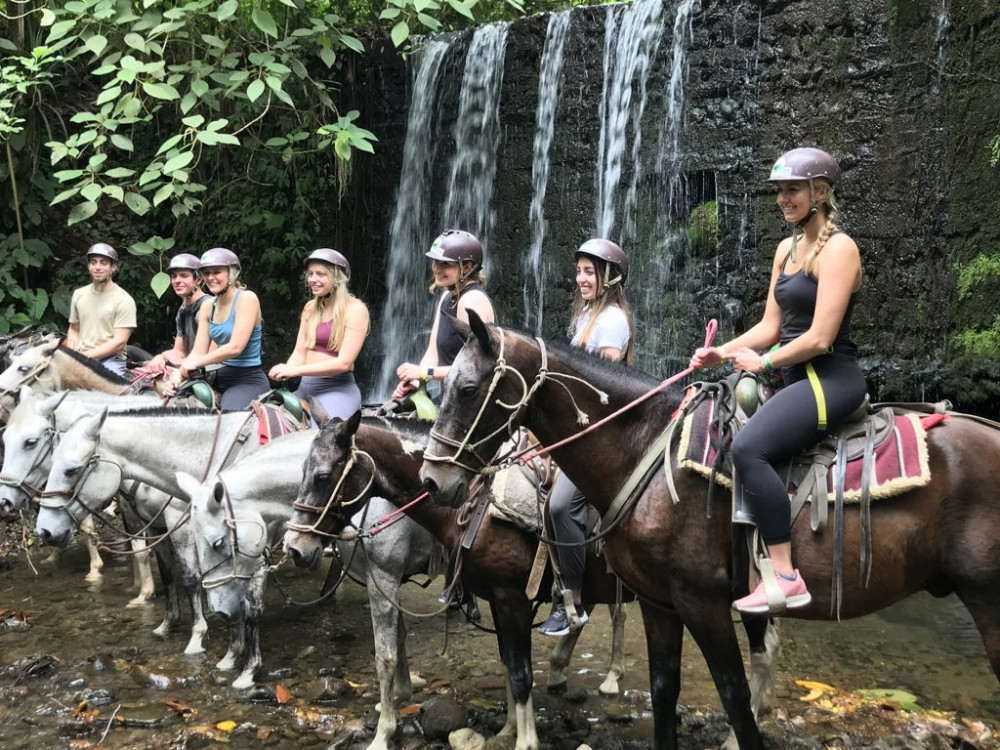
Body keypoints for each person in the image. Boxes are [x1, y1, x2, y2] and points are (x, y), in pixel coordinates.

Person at [690, 146, 865, 615]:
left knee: (750, 449)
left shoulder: (840, 249)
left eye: (792, 190)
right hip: (791, 377)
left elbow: (820, 338)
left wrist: (763, 364)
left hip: (830, 379)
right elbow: (771, 326)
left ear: (820, 191)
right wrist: (721, 353)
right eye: (779, 191)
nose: (782, 199)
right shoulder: (786, 250)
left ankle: (787, 577)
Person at [539, 238, 634, 637]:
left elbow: (603, 390)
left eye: (589, 272)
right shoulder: (585, 319)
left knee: (561, 505)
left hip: (600, 434)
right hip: (574, 429)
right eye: (578, 271)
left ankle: (572, 598)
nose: (580, 279)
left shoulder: (612, 319)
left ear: (609, 277)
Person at [392, 229, 495, 399]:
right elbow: (432, 354)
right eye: (435, 262)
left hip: (475, 401)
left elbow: (477, 366)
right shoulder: (448, 297)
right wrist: (416, 381)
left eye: (445, 264)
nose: (436, 269)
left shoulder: (471, 300)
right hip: (452, 397)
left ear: (467, 267)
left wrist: (424, 372)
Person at [268, 248, 370, 419]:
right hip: (304, 386)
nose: (312, 280)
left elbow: (344, 363)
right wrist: (286, 369)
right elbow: (299, 353)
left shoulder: (355, 309)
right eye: (310, 274)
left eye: (320, 274)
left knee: (320, 437)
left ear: (337, 277)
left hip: (336, 388)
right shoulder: (310, 309)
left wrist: (295, 371)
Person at [180, 247, 270, 411]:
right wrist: (179, 373)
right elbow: (198, 351)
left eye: (217, 272)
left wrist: (196, 363)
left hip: (247, 379)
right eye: (206, 273)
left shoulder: (247, 299)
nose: (210, 277)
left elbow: (235, 347)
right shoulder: (208, 306)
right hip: (218, 377)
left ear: (232, 273)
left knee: (226, 422)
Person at [65, 242, 137, 377]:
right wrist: (73, 354)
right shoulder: (79, 294)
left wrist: (85, 357)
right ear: (88, 266)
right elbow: (74, 329)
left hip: (111, 360)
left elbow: (119, 342)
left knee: (107, 394)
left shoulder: (124, 300)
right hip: (81, 355)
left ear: (113, 267)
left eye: (103, 263)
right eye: (93, 262)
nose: (97, 267)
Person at [147, 253, 211, 370]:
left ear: (198, 279)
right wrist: (162, 357)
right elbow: (179, 352)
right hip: (190, 366)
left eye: (184, 276)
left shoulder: (209, 306)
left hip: (211, 370)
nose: (177, 280)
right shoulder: (182, 310)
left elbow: (211, 356)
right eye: (174, 276)